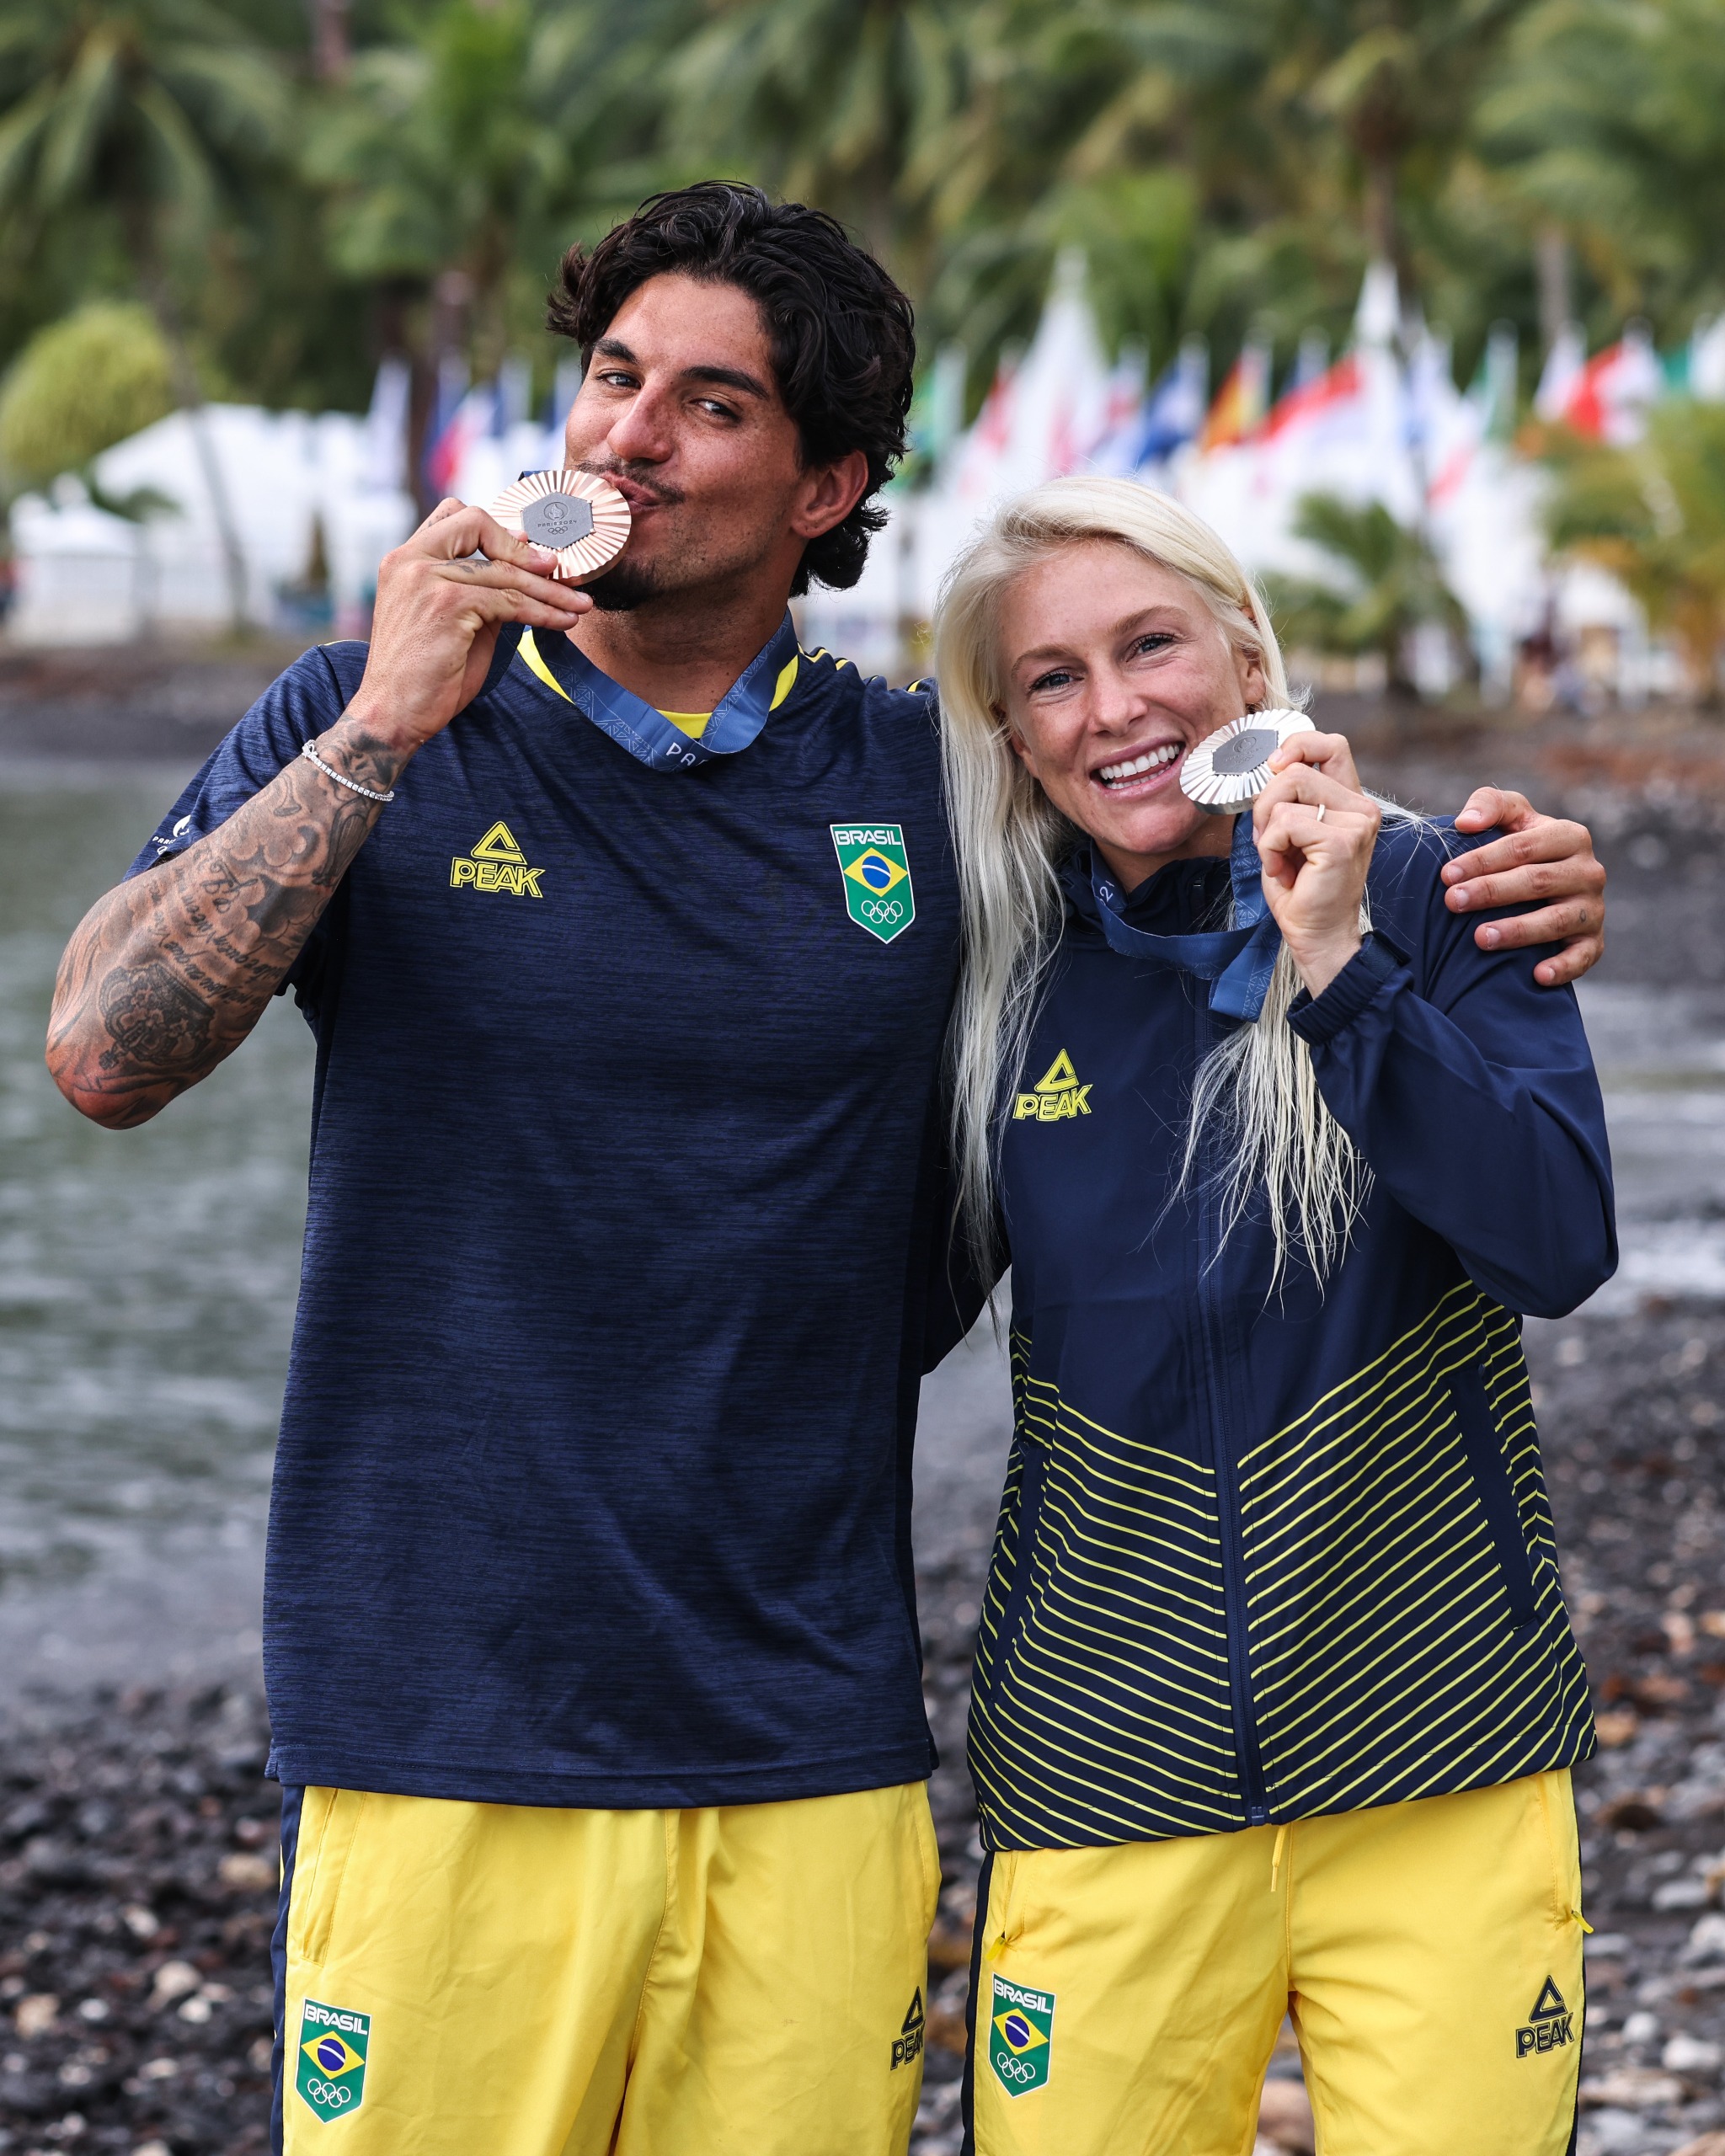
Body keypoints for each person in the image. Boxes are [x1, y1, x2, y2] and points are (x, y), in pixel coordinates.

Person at [45, 184, 1607, 2156]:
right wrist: (374, 719)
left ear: (823, 485)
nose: (626, 436)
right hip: (444, 1717)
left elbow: (1170, 802)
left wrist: (1476, 881)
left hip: (810, 1735)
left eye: (709, 404)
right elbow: (98, 1054)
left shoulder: (923, 793)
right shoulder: (381, 713)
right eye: (612, 379)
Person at [932, 476, 1614, 2156]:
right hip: (1105, 1756)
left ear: (1244, 657)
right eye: (1055, 679)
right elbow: (843, 1315)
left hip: (1437, 1729)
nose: (1115, 708)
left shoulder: (1448, 893)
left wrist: (1340, 964)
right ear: (1013, 734)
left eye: (1149, 643)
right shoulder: (991, 979)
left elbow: (1555, 1238)